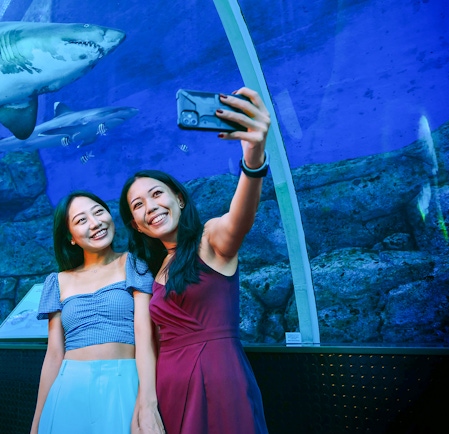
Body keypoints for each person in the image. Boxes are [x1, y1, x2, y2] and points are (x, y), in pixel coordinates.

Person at [119, 87, 270, 434]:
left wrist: (253, 159)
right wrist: (144, 405)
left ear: (179, 199)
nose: (150, 206)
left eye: (156, 194)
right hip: (167, 389)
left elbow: (240, 217)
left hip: (218, 380)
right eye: (138, 205)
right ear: (136, 225)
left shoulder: (211, 239)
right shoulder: (156, 270)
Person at [30, 191, 164, 434]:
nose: (95, 223)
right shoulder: (57, 281)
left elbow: (146, 340)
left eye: (99, 211)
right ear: (70, 237)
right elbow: (53, 354)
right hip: (69, 387)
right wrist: (37, 423)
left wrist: (148, 401)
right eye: (81, 220)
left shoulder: (133, 265)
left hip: (123, 382)